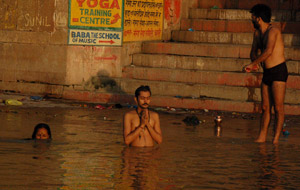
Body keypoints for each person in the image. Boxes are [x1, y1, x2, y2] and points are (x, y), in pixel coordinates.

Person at [244, 4, 288, 144]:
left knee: (278, 107)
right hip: (267, 72)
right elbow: (253, 51)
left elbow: (268, 51)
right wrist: (254, 62)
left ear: (258, 18)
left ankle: (275, 139)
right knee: (265, 107)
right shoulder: (257, 33)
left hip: (279, 71)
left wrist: (252, 64)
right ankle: (262, 137)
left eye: (253, 17)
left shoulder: (274, 30)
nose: (252, 20)